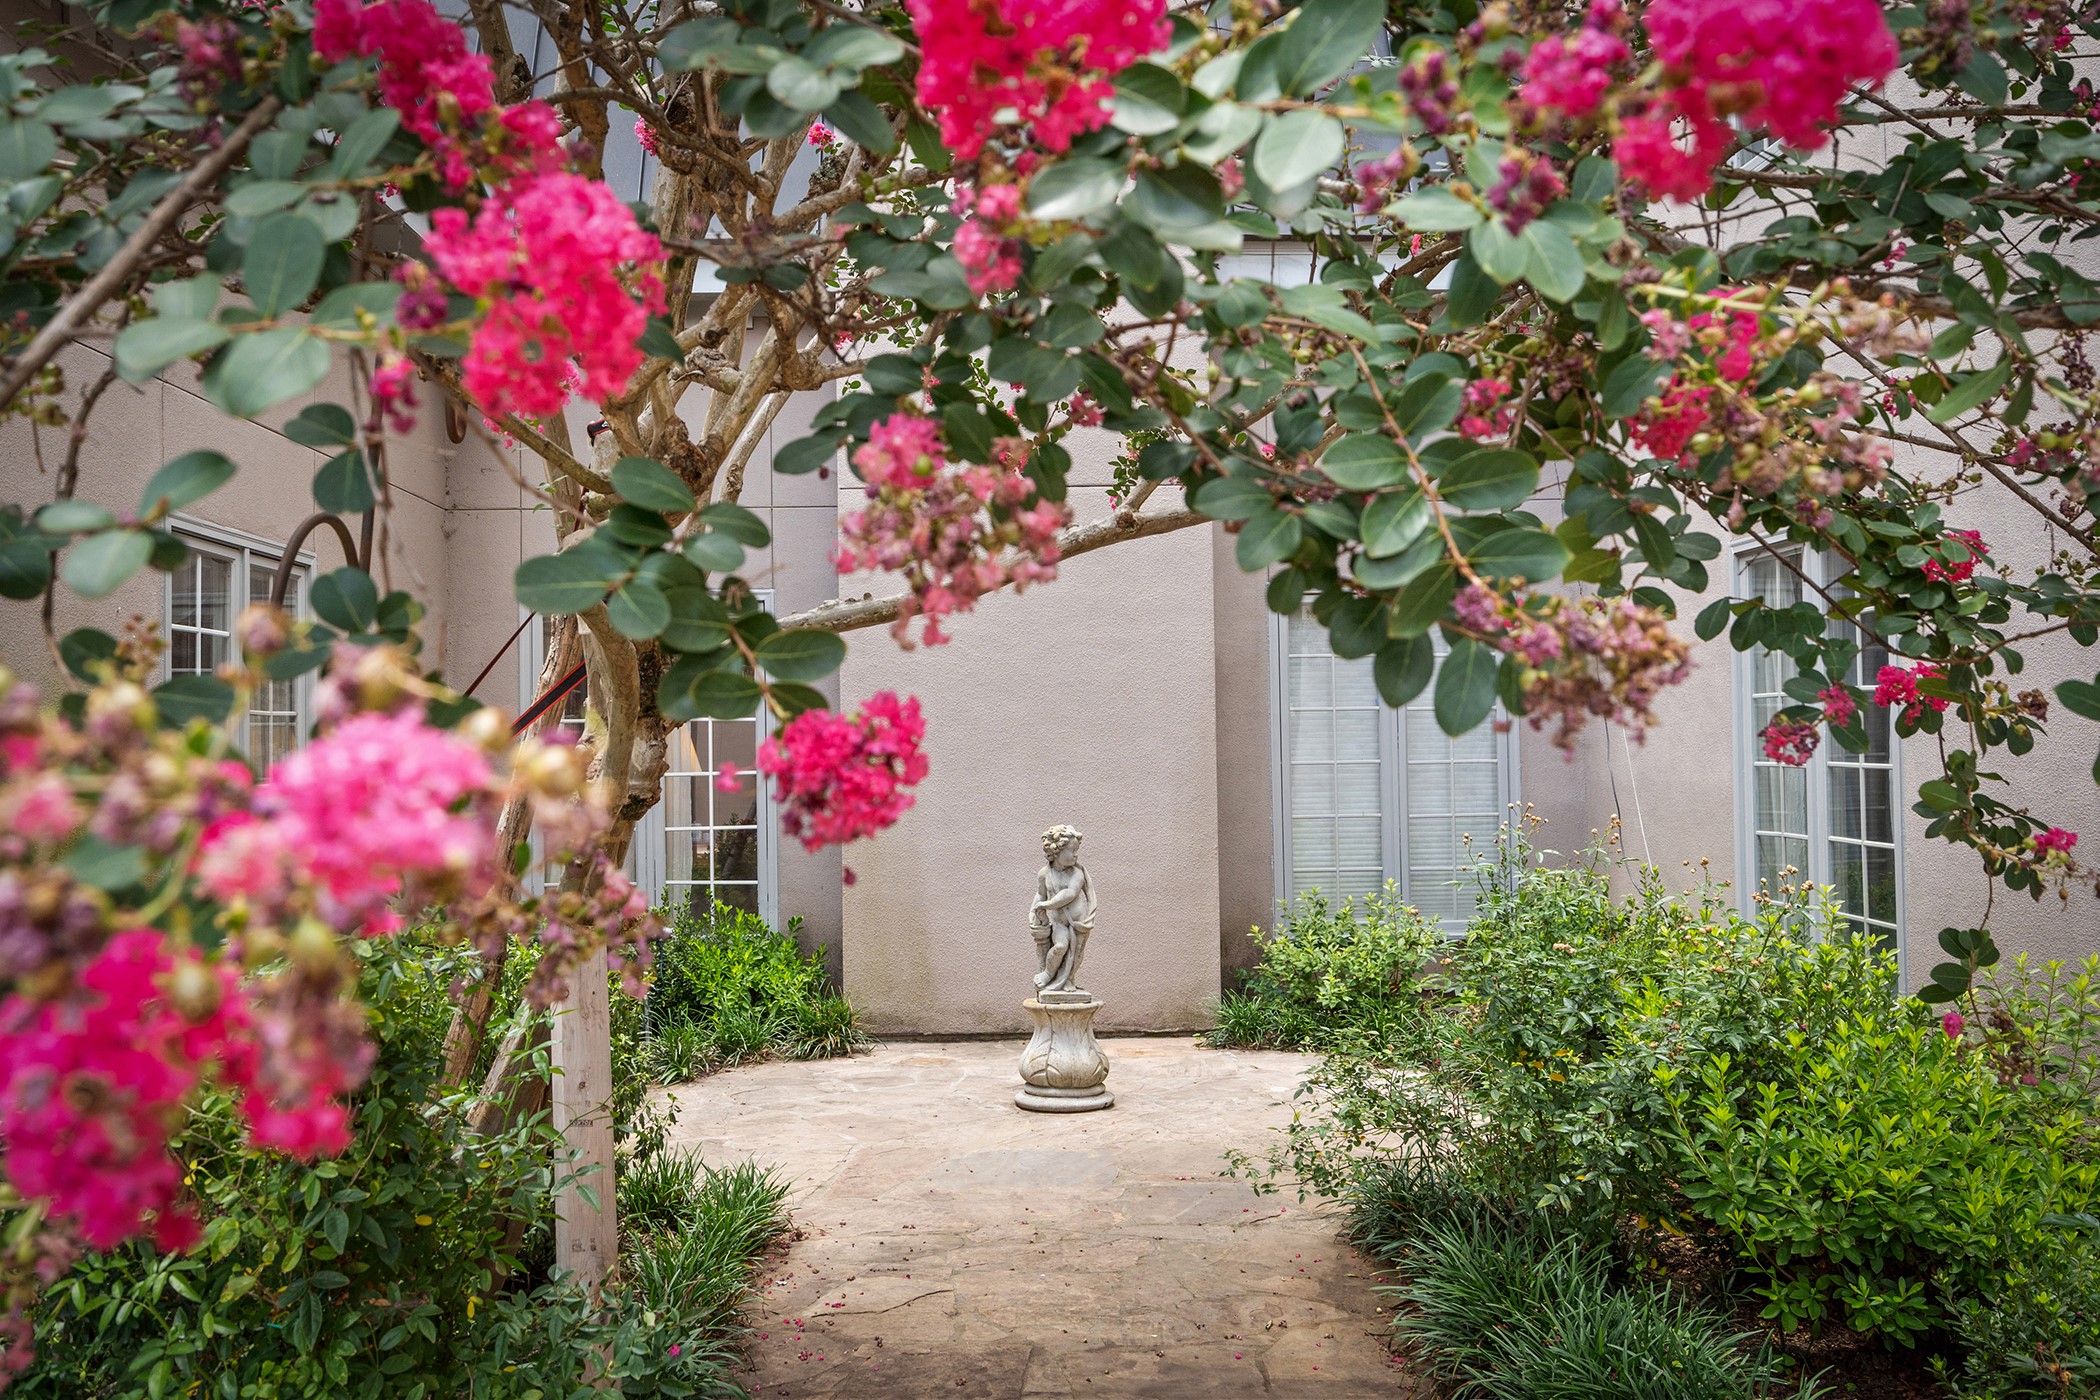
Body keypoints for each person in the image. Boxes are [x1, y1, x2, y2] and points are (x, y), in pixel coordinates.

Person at [1029, 824, 1095, 994]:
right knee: (1060, 946)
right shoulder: (1044, 873)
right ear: (1057, 851)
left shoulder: (1077, 873)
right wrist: (1033, 910)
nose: (1076, 854)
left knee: (1077, 954)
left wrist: (1047, 905)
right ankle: (1048, 973)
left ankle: (1069, 979)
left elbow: (1070, 893)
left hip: (1078, 922)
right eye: (1072, 850)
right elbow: (1040, 894)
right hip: (1059, 922)